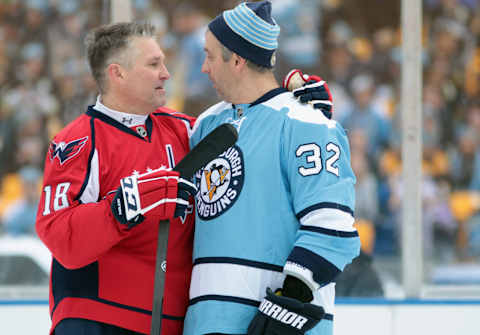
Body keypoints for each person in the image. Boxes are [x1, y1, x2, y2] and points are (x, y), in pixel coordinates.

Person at [183, 2, 361, 335]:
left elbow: (334, 228)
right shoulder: (205, 126)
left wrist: (287, 305)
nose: (204, 68)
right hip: (204, 324)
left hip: (277, 326)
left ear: (236, 60)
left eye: (209, 56)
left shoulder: (306, 124)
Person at [35, 22, 197, 335]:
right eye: (153, 64)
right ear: (117, 73)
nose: (166, 73)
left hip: (173, 324)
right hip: (98, 319)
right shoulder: (78, 141)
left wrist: (292, 99)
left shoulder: (183, 130)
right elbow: (58, 234)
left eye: (163, 62)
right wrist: (125, 205)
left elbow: (249, 130)